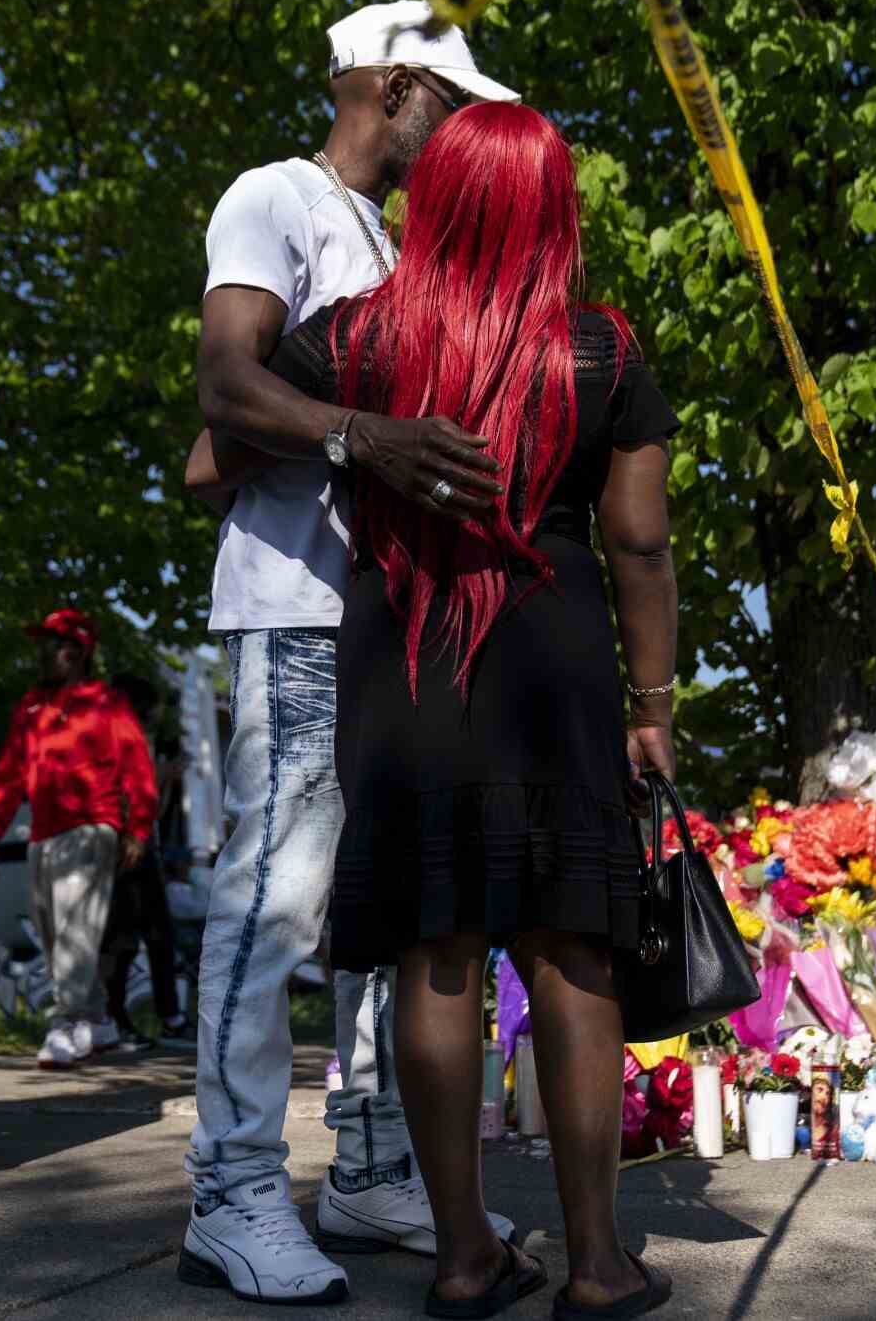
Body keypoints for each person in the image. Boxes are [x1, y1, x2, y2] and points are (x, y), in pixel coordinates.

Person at [253, 103, 682, 1317]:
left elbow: (222, 429)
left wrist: (346, 437)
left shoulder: (352, 341)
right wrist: (650, 703)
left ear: (430, 200)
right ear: (553, 208)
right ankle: (595, 1261)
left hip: (405, 656)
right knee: (570, 944)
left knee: (433, 946)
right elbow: (637, 541)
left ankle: (459, 1256)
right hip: (555, 655)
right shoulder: (600, 349)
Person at [178, 0, 521, 1307]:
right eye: (447, 98)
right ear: (384, 83)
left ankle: (370, 1163)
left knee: (384, 908)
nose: (457, 128)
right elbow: (224, 388)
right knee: (274, 894)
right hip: (292, 605)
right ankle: (232, 1188)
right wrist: (363, 437)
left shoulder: (401, 232)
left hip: (398, 616)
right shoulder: (275, 197)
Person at [0, 609, 158, 1069]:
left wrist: (137, 827)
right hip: (42, 834)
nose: (43, 652)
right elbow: (10, 770)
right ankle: (99, 1024)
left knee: (76, 934)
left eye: (54, 643)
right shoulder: (32, 705)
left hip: (90, 830)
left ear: (78, 652)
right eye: (42, 643)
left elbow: (138, 768)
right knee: (54, 936)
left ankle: (66, 1022)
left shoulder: (105, 702)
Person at [96, 673, 190, 1051]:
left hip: (144, 845)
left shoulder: (140, 737)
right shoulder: (116, 735)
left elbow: (153, 803)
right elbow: (123, 787)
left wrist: (166, 781)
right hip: (124, 845)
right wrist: (162, 775)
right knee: (122, 940)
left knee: (158, 936)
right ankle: (115, 1019)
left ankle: (169, 1016)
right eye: (154, 708)